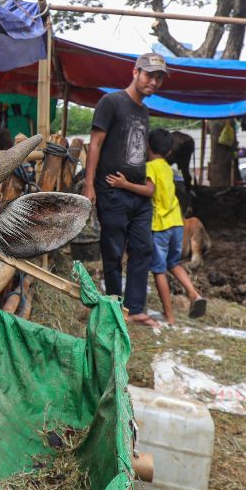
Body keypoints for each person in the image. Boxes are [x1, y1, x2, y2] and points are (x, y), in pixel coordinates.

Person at [82, 52, 167, 326]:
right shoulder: (111, 102)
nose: (153, 82)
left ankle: (136, 308)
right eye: (149, 75)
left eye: (158, 78)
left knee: (143, 249)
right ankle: (116, 307)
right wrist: (89, 185)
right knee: (113, 250)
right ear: (135, 72)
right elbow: (94, 144)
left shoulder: (143, 110)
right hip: (111, 189)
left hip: (137, 192)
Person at [106, 129, 208, 323]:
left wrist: (124, 184)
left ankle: (169, 316)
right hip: (177, 222)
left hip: (160, 225)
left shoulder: (151, 166)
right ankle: (195, 294)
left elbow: (149, 190)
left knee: (159, 270)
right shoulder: (168, 168)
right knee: (174, 263)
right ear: (170, 153)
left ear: (147, 147)